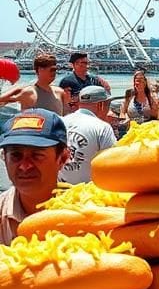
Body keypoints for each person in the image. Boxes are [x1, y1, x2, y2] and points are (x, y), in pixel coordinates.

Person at [0, 109, 69, 244]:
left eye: (37, 156)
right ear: (4, 158)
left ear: (62, 158)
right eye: (16, 156)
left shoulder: (86, 213)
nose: (24, 166)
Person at [61, 85, 117, 185]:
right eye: (108, 104)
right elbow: (112, 163)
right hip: (87, 195)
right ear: (101, 105)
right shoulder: (102, 127)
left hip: (58, 191)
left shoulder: (60, 122)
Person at [0, 53, 66, 114]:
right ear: (40, 69)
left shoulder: (60, 92)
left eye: (56, 69)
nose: (54, 73)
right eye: (52, 70)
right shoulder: (26, 92)